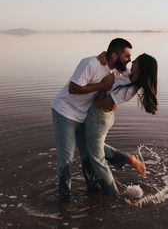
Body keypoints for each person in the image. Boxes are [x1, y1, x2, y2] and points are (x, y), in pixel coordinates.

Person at [51, 38, 132, 203]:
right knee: (66, 160)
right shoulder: (90, 63)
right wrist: (101, 85)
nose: (129, 60)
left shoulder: (116, 71)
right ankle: (64, 201)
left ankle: (93, 191)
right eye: (126, 56)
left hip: (84, 115)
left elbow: (134, 76)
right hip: (65, 112)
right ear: (115, 55)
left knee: (88, 155)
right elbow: (73, 88)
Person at [85, 53, 158, 196]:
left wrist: (104, 86)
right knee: (91, 145)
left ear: (141, 69)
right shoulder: (128, 75)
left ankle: (112, 193)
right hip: (100, 116)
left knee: (96, 158)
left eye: (136, 61)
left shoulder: (129, 89)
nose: (132, 61)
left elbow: (101, 104)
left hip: (98, 117)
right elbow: (113, 62)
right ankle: (126, 159)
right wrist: (104, 55)